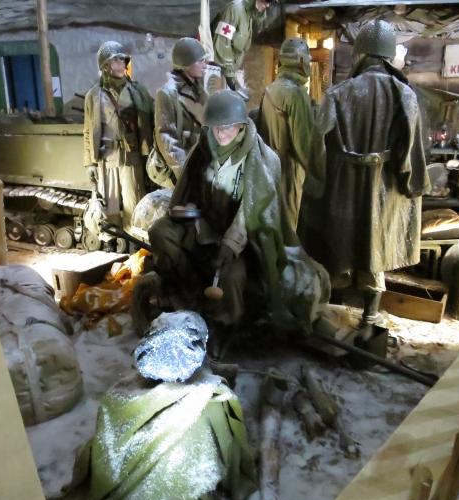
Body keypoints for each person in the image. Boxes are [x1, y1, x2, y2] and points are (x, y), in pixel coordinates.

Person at [148, 90, 329, 343]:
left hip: (246, 239)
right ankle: (188, 289)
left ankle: (224, 328)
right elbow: (187, 189)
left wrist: (231, 244)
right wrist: (186, 213)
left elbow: (252, 210)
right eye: (215, 128)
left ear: (241, 127)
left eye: (227, 128)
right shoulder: (203, 149)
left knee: (231, 277)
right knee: (159, 232)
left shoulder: (262, 160)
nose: (220, 135)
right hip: (203, 224)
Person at [298, 20, 430, 330]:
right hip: (384, 184)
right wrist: (411, 182)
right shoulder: (405, 94)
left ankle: (326, 314)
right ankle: (370, 315)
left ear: (360, 54)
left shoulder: (338, 93)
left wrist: (317, 184)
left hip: (343, 183)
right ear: (388, 55)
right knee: (375, 247)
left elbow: (317, 144)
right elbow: (411, 149)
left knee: (337, 243)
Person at [83, 41, 153, 233]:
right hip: (107, 157)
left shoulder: (137, 91)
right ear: (105, 66)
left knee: (135, 201)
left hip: (132, 155)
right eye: (117, 60)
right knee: (109, 206)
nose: (122, 64)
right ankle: (111, 240)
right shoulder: (94, 95)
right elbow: (88, 131)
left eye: (123, 60)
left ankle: (135, 239)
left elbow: (150, 121)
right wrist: (89, 163)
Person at [258, 38, 323, 235]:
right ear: (301, 62)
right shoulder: (295, 94)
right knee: (290, 230)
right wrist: (320, 177)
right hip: (290, 173)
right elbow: (305, 145)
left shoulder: (271, 88)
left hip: (270, 169)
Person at [148, 37, 209, 189]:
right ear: (186, 64)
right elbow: (167, 139)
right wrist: (184, 176)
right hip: (179, 169)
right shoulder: (167, 93)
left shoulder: (200, 90)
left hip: (198, 163)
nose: (205, 64)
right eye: (200, 61)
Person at [211, 0, 276, 92]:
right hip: (219, 72)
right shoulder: (235, 9)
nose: (268, 5)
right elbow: (222, 43)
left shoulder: (248, 15)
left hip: (230, 72)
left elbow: (260, 23)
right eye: (266, 1)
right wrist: (230, 76)